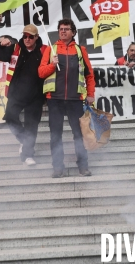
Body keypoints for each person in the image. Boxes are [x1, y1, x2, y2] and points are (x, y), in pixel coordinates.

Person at [38, 18, 95, 178]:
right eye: (61, 29)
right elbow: (41, 72)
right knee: (55, 135)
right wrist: (52, 64)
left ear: (73, 32)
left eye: (66, 29)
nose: (63, 31)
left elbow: (89, 75)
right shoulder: (51, 49)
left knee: (79, 134)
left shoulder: (80, 50)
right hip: (54, 99)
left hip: (75, 99)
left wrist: (90, 94)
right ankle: (58, 168)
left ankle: (83, 167)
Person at [0, 25, 47, 166]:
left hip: (35, 96)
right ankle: (24, 140)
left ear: (37, 37)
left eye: (30, 37)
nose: (27, 39)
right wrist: (0, 45)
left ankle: (28, 155)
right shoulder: (15, 48)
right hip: (16, 94)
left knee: (32, 126)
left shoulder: (44, 50)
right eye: (25, 36)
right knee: (9, 117)